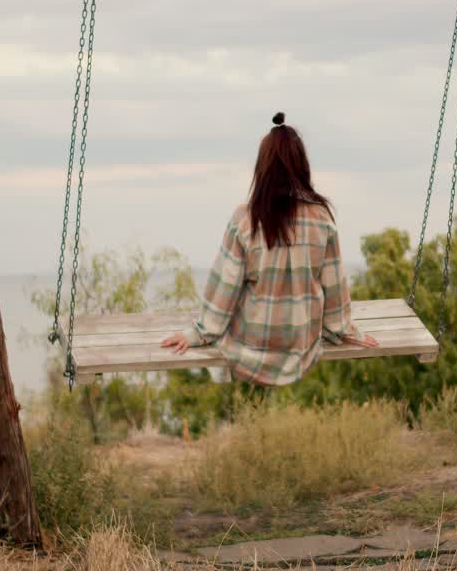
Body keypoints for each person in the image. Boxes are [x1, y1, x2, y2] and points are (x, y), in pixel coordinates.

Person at [160, 112, 378, 385]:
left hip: (251, 346)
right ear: (302, 165)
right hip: (301, 347)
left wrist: (197, 333)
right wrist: (345, 331)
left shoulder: (246, 218)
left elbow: (224, 289)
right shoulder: (321, 218)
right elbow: (334, 288)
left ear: (261, 167)